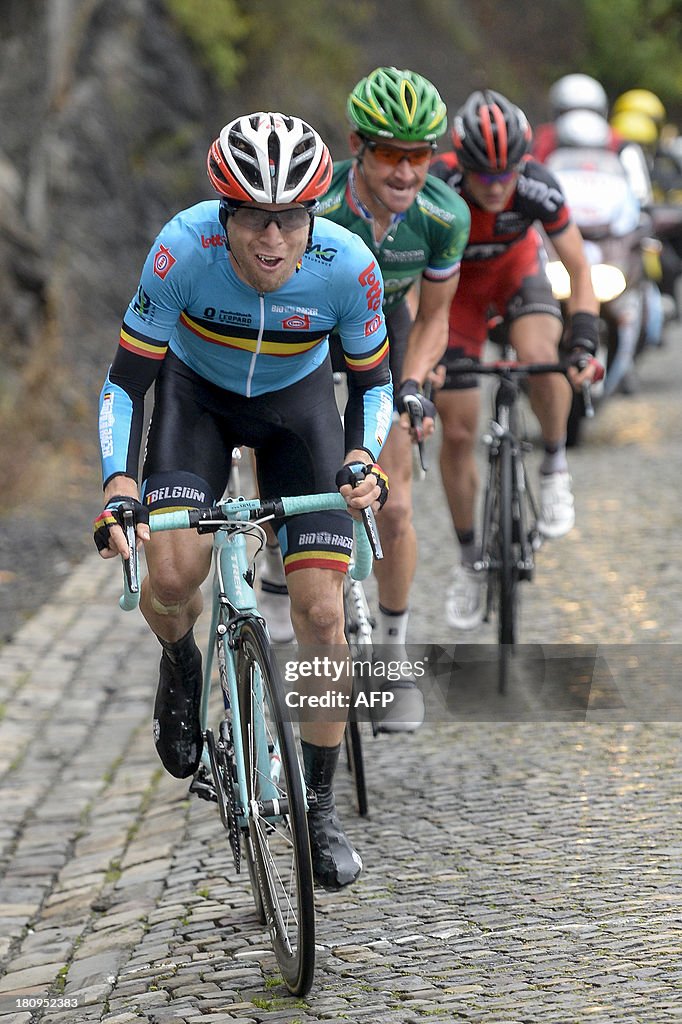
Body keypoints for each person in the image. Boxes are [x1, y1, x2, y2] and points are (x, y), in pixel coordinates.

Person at [92, 111, 394, 891]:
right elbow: (127, 381)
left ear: (312, 216)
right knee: (169, 576)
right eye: (254, 219)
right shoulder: (181, 250)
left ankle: (317, 810)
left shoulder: (347, 264)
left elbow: (373, 384)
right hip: (197, 403)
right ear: (224, 216)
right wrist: (119, 483)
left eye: (290, 218)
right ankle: (180, 663)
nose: (272, 240)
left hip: (299, 414)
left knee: (323, 614)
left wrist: (362, 456)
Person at [260, 67, 471, 730]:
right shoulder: (318, 210)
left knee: (398, 506)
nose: (406, 172)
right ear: (357, 146)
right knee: (283, 461)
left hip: (391, 327)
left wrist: (411, 385)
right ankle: (276, 561)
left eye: (420, 154)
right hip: (309, 333)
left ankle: (393, 656)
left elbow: (435, 317)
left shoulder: (444, 216)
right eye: (388, 153)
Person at [418, 90, 599, 630]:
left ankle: (554, 464)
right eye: (484, 176)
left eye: (507, 175)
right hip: (456, 293)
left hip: (517, 272)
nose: (497, 187)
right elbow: (409, 280)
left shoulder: (538, 185)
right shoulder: (436, 185)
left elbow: (581, 270)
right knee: (456, 432)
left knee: (545, 357)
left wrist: (585, 339)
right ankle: (471, 560)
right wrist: (418, 358)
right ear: (462, 164)